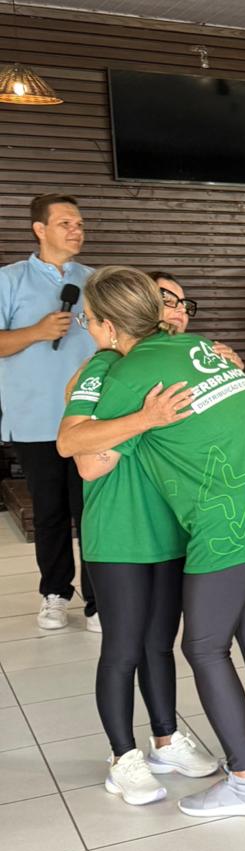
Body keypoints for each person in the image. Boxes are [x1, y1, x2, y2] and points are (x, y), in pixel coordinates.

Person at [59, 266, 245, 818]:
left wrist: (142, 417)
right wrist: (145, 419)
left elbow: (76, 450)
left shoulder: (131, 371)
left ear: (108, 325)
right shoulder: (202, 349)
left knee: (203, 647)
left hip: (235, 517)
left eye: (88, 319)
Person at [57, 310, 219, 806]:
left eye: (182, 303)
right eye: (166, 301)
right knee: (123, 648)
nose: (177, 312)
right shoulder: (104, 366)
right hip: (119, 532)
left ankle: (166, 741)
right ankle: (122, 757)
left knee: (158, 644)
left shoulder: (177, 361)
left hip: (168, 528)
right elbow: (87, 461)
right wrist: (142, 423)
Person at [0, 193, 97, 631]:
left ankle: (98, 598)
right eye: (65, 223)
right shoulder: (9, 280)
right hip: (35, 418)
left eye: (79, 224)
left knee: (92, 510)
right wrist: (36, 331)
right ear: (39, 229)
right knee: (51, 511)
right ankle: (55, 592)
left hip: (91, 418)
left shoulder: (93, 281)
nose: (76, 230)